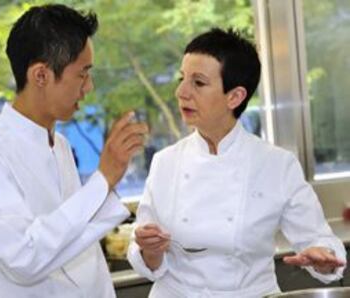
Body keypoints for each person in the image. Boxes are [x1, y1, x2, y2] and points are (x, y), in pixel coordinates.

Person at [127, 28, 346, 298]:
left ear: (235, 97)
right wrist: (149, 250)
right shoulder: (165, 162)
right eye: (182, 78)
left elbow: (319, 239)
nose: (181, 92)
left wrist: (324, 257)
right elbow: (141, 249)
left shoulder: (276, 165)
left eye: (198, 82)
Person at [0, 4, 148, 298]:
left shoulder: (61, 146)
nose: (89, 87)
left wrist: (108, 184)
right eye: (82, 74)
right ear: (40, 75)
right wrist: (103, 179)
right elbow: (24, 258)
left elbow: (76, 241)